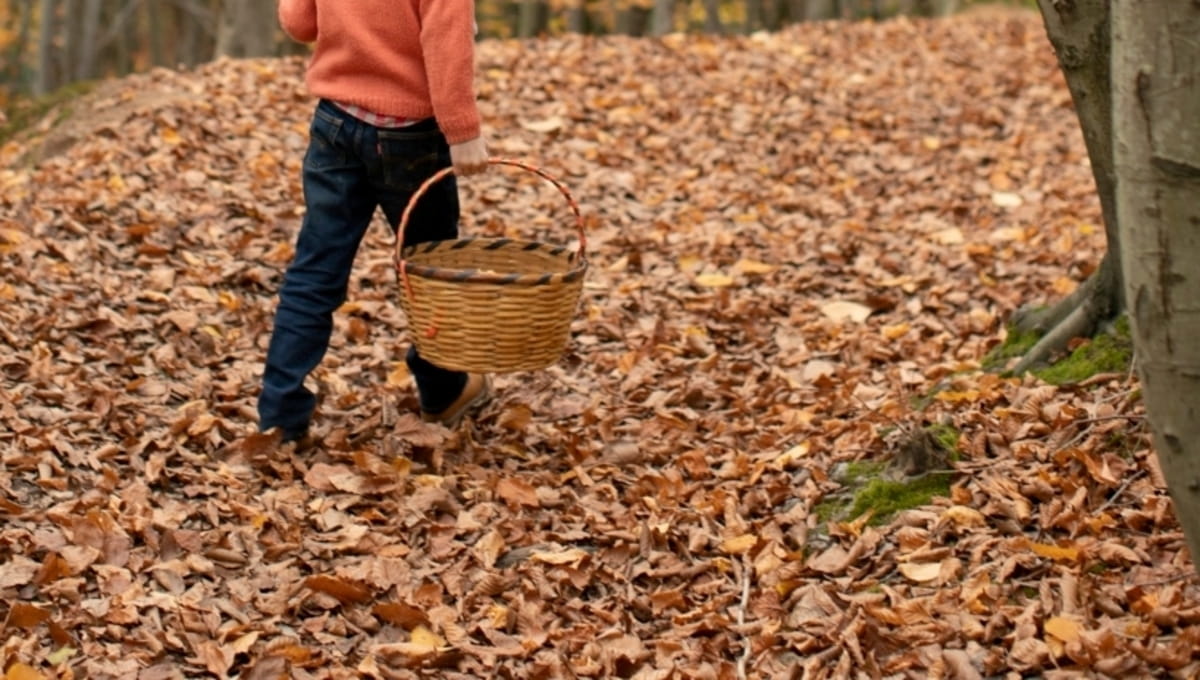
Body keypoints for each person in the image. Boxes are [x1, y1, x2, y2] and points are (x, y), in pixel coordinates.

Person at [259, 0, 493, 446]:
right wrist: (463, 131)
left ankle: (279, 417)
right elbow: (445, 40)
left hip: (336, 123)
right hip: (412, 136)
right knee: (430, 272)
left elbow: (299, 23)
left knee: (314, 272)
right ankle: (442, 392)